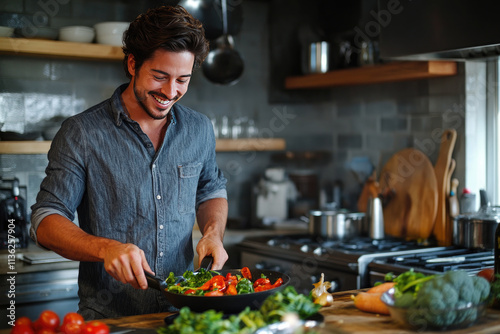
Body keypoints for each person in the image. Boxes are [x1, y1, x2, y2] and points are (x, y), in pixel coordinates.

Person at [30, 5, 228, 319]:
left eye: (182, 80)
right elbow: (45, 220)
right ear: (133, 63)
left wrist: (212, 234)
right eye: (160, 76)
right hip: (112, 317)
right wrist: (105, 248)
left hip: (185, 313)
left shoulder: (199, 128)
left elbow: (210, 191)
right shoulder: (82, 132)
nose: (170, 91)